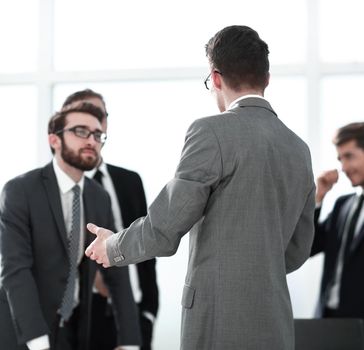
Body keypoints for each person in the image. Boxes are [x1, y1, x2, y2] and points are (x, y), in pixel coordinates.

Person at [85, 25, 316, 349]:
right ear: (266, 78)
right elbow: (296, 251)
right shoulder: (298, 148)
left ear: (216, 78)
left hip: (216, 321)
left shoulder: (211, 132)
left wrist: (112, 247)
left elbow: (165, 228)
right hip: (275, 323)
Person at [0, 102, 141, 350]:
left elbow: (116, 272)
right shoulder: (20, 190)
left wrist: (130, 342)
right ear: (54, 140)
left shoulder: (99, 197)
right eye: (80, 131)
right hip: (21, 330)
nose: (92, 140)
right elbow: (15, 269)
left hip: (72, 330)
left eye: (98, 134)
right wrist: (37, 341)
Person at [62, 89, 159, 350]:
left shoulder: (129, 181)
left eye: (99, 117)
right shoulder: (51, 188)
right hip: (76, 323)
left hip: (134, 318)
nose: (93, 126)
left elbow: (148, 246)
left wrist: (148, 313)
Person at [311, 122, 364, 319]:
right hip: (327, 318)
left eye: (349, 156)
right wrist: (318, 198)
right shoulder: (343, 205)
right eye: (340, 159)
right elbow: (309, 246)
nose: (343, 167)